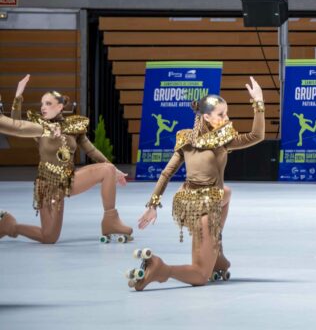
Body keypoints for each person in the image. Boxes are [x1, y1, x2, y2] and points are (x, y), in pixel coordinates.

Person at [129, 80, 265, 289]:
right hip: (206, 208)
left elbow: (166, 173)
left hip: (187, 202)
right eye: (221, 114)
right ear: (207, 117)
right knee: (201, 275)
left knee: (226, 192)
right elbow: (257, 136)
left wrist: (153, 205)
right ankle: (161, 268)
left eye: (226, 113)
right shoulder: (218, 139)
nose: (226, 118)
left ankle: (216, 251)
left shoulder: (191, 137)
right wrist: (258, 103)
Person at [0, 76, 131, 244]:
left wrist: (115, 169)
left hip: (69, 180)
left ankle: (110, 221)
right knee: (49, 237)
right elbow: (16, 124)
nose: (43, 107)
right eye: (42, 104)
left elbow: (91, 151)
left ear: (60, 106)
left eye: (48, 103)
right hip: (47, 186)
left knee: (107, 170)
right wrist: (18, 96)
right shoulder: (39, 127)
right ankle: (9, 226)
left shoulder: (73, 127)